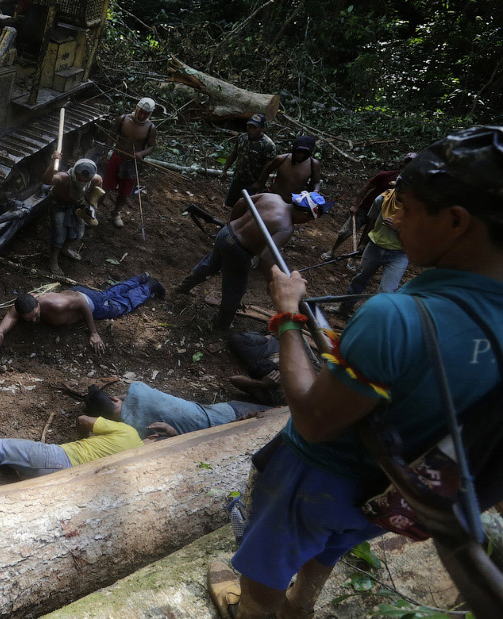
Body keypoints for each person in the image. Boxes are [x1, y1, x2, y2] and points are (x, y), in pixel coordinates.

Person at [207, 126, 503, 619]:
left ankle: (255, 610)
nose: (398, 221)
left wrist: (286, 315)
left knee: (268, 563)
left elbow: (313, 419)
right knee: (332, 542)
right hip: (387, 497)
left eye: (406, 208)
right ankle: (300, 607)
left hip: (316, 479)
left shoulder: (395, 317)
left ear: (455, 221)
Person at [175, 192, 329, 330]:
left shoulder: (272, 197)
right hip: (239, 251)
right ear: (304, 215)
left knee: (209, 265)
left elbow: (242, 201)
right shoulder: (286, 227)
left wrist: (232, 224)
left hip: (225, 234)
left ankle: (182, 288)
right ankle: (221, 325)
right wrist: (272, 282)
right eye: (309, 220)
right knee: (235, 290)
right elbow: (265, 257)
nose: (306, 222)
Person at [0, 274, 166, 377]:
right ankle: (140, 278)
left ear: (38, 304)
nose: (32, 320)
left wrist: (93, 332)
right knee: (107, 293)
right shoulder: (18, 308)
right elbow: (0, 331)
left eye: (35, 316)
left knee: (118, 306)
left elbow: (80, 303)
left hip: (89, 303)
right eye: (28, 319)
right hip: (79, 294)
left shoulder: (55, 304)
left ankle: (149, 286)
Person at [0, 413, 144, 496]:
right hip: (79, 490)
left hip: (63, 460)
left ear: (152, 436)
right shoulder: (145, 466)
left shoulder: (130, 432)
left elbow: (83, 421)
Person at [83, 382, 271, 439]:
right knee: (284, 414)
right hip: (226, 412)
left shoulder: (132, 432)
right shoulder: (138, 390)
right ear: (113, 398)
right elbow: (126, 396)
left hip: (222, 438)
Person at [321, 153, 416, 260]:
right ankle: (332, 250)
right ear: (403, 162)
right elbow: (366, 188)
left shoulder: (414, 185)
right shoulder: (385, 175)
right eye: (408, 161)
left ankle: (352, 259)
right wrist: (356, 205)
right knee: (346, 231)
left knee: (366, 239)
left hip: (381, 215)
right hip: (365, 208)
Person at [333, 188, 409, 318]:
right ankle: (344, 309)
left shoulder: (419, 209)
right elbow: (372, 222)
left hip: (399, 253)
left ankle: (374, 320)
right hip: (375, 246)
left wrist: (398, 229)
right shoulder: (382, 199)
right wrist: (364, 243)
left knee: (387, 291)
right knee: (359, 279)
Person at [42, 156, 104, 275]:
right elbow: (47, 180)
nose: (82, 182)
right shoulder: (64, 177)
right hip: (59, 204)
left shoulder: (96, 179)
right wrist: (52, 164)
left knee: (78, 233)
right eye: (80, 179)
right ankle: (53, 258)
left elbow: (97, 191)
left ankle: (65, 249)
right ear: (75, 172)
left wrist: (93, 206)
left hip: (78, 204)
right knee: (59, 234)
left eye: (86, 180)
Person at [103, 98, 157, 228]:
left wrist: (141, 154)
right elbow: (111, 136)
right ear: (137, 108)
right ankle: (93, 209)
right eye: (141, 112)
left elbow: (152, 147)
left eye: (146, 114)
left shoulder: (150, 128)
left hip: (132, 164)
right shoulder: (122, 119)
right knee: (105, 186)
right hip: (117, 157)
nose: (142, 115)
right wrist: (105, 153)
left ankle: (115, 213)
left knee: (125, 191)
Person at [221, 114, 277, 208]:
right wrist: (224, 170)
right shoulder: (242, 138)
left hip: (252, 183)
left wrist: (259, 183)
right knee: (230, 205)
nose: (250, 129)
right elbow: (234, 154)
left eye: (254, 127)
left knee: (247, 208)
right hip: (237, 178)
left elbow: (267, 167)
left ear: (261, 128)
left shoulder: (268, 145)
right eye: (249, 126)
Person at [256, 135, 321, 200]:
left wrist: (315, 192)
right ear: (294, 149)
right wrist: (260, 187)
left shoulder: (313, 164)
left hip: (295, 202)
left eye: (305, 153)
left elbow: (316, 182)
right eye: (299, 151)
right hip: (275, 198)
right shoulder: (281, 159)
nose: (301, 155)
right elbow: (267, 171)